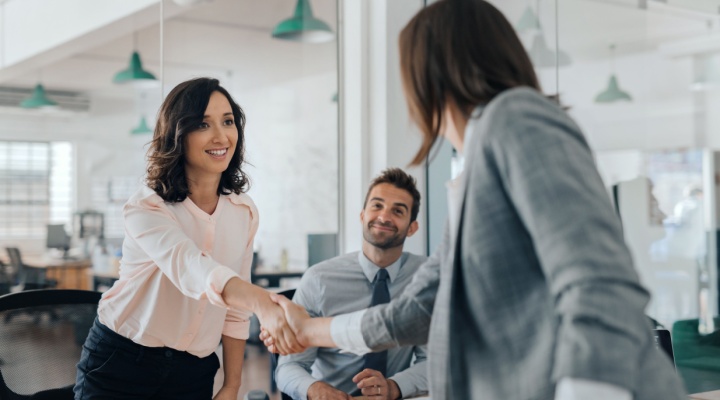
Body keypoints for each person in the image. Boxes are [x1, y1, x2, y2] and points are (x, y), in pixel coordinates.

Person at [261, 1, 687, 399]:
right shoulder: (471, 176)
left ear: (431, 73)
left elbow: (597, 281)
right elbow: (415, 312)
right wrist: (310, 330)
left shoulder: (517, 117)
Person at [74, 77, 302, 400]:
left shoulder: (243, 212)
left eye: (228, 121)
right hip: (122, 361)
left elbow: (234, 313)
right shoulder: (147, 206)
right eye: (203, 124)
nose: (221, 136)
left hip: (193, 371)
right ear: (178, 134)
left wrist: (232, 383)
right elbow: (192, 268)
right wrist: (265, 303)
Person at [276, 168, 428, 400]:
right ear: (362, 215)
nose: (384, 217)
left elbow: (435, 360)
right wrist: (316, 390)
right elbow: (288, 367)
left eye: (398, 211)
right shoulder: (319, 280)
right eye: (377, 206)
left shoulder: (425, 278)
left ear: (412, 227)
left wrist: (393, 387)